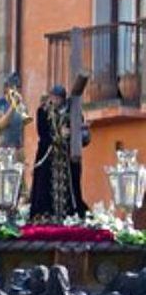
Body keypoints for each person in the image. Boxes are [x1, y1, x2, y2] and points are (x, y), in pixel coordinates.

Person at [29, 85, 88, 220]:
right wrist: (60, 136)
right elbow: (43, 134)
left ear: (63, 98)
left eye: (57, 98)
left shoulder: (73, 112)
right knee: (44, 185)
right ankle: (45, 214)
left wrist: (80, 133)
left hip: (67, 157)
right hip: (49, 154)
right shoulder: (43, 111)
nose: (54, 100)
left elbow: (80, 133)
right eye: (53, 97)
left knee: (72, 185)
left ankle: (70, 214)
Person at [0, 73, 30, 160]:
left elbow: (21, 128)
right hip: (3, 150)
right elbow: (1, 124)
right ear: (6, 88)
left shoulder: (22, 106)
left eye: (18, 87)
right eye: (13, 87)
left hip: (17, 151)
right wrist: (13, 106)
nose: (16, 91)